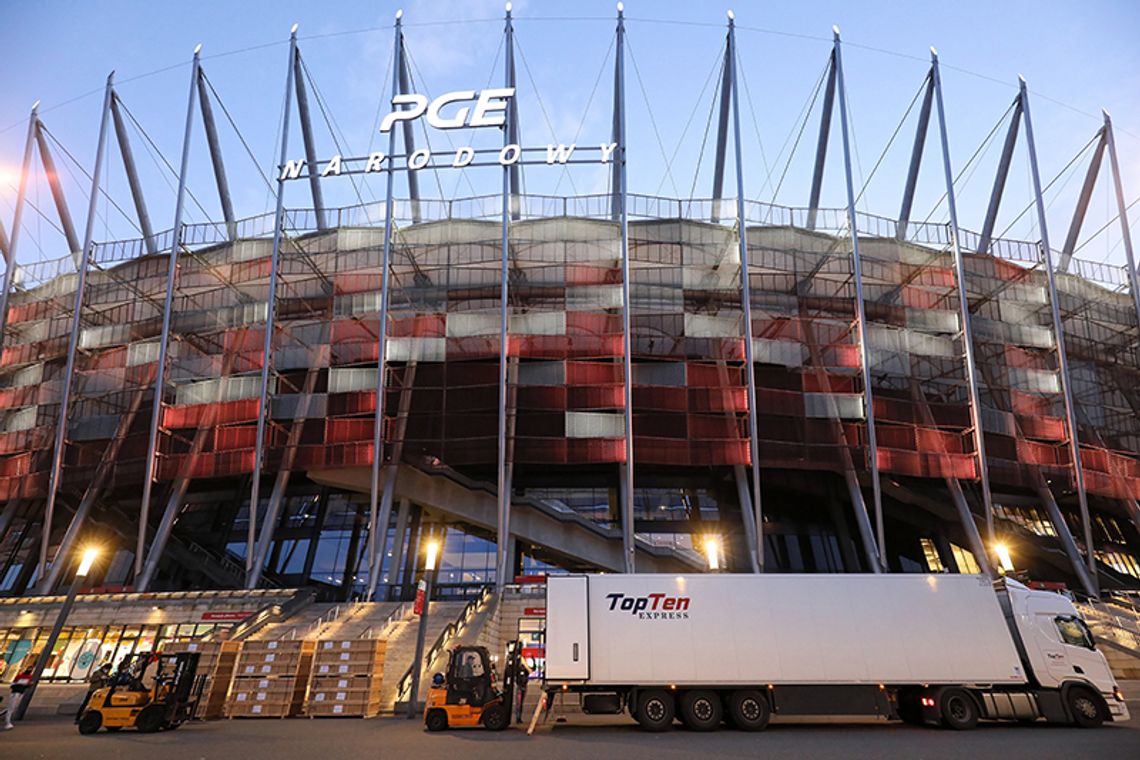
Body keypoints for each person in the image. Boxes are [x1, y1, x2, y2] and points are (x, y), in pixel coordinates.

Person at [513, 656, 531, 723]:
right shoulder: (518, 669)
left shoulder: (525, 670)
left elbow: (531, 670)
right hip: (520, 686)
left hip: (523, 686)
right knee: (519, 703)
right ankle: (518, 717)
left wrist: (532, 659)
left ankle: (519, 717)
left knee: (521, 703)